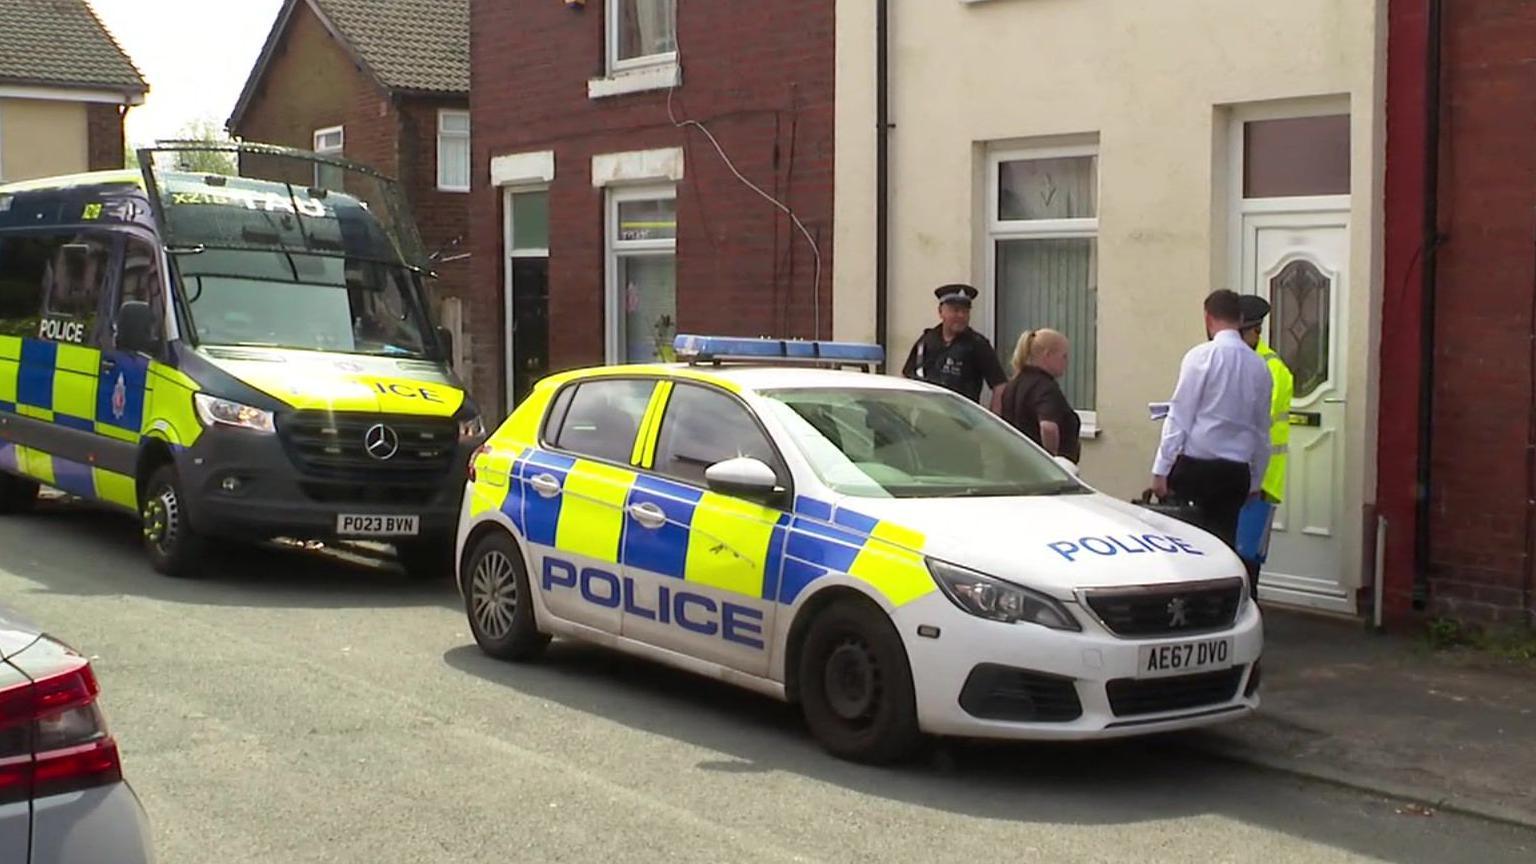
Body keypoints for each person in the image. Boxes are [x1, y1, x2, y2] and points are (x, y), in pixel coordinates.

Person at [1151, 289, 1273, 551]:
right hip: (1235, 471)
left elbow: (1180, 416)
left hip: (1197, 468)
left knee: (1188, 545)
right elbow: (1262, 431)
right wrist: (1256, 481)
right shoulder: (1259, 366)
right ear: (1240, 319)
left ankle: (1192, 592)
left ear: (1208, 318)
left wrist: (1161, 467)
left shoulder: (1200, 357)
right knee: (1224, 546)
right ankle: (1220, 592)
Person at [1233, 294, 1295, 593]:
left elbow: (1253, 422)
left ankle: (1249, 615)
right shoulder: (1243, 360)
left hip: (1262, 478)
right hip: (1243, 472)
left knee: (1247, 556)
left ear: (1253, 331)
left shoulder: (1271, 368)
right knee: (1237, 554)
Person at [900, 283, 1008, 403]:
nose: (961, 316)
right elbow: (906, 378)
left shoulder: (977, 344)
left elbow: (999, 386)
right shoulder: (926, 342)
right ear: (941, 312)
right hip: (927, 415)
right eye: (955, 310)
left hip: (961, 418)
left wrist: (992, 419)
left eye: (965, 311)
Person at [995, 328, 1081, 462]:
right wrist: (1052, 460)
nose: (1066, 362)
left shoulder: (1014, 383)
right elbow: (1048, 427)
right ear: (1047, 355)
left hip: (1015, 463)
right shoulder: (1045, 387)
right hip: (1041, 470)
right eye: (1063, 356)